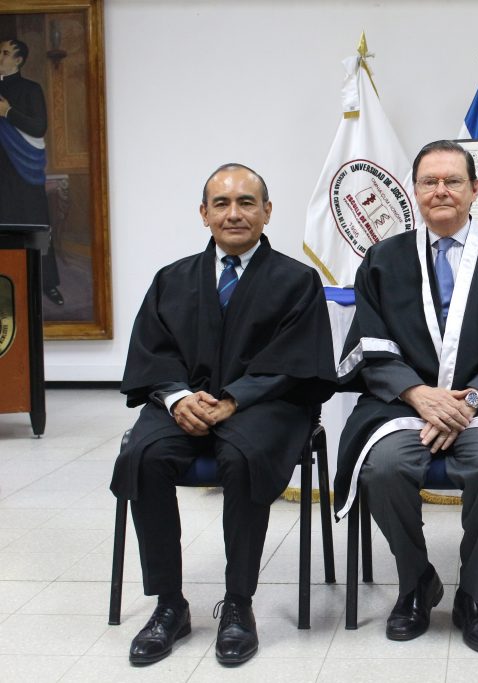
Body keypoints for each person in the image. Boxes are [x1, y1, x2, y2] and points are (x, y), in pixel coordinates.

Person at [110, 163, 337, 666]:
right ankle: (169, 604)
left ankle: (238, 604)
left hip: (265, 407)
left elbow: (297, 360)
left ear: (267, 211)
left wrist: (233, 399)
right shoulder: (172, 279)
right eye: (222, 204)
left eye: (247, 203)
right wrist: (175, 397)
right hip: (183, 406)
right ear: (204, 214)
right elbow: (154, 351)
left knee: (241, 456)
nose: (234, 214)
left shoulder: (296, 281)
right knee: (144, 457)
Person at [333, 140, 478, 654]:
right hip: (401, 402)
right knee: (382, 468)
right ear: (415, 190)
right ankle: (415, 581)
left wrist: (468, 401)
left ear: (475, 189)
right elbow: (369, 341)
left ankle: (475, 594)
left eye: (453, 181)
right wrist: (419, 393)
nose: (441, 191)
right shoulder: (382, 259)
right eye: (430, 182)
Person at [0, 37, 62, 305]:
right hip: (1, 175)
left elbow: (38, 128)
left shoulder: (30, 89)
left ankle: (47, 284)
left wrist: (8, 112)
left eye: (4, 53)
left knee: (36, 227)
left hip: (24, 171)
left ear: (19, 60)